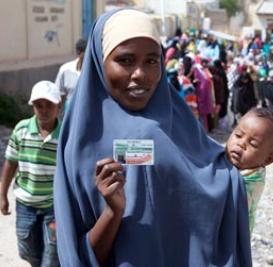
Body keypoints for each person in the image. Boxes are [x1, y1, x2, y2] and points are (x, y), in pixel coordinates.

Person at [53, 9, 252, 266]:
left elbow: (210, 187)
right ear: (100, 62)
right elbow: (81, 255)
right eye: (125, 61)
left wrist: (241, 171)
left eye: (151, 60)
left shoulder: (176, 125)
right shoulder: (79, 143)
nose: (140, 74)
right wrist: (113, 211)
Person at [0, 81, 61, 266]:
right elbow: (11, 162)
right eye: (38, 105)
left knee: (52, 252)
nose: (44, 110)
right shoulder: (21, 130)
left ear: (59, 105)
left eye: (49, 105)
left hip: (53, 205)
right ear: (32, 106)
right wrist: (2, 195)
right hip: (26, 203)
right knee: (27, 250)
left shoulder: (65, 134)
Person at [225, 107, 273, 232]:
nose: (241, 144)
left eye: (252, 144)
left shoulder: (248, 184)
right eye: (238, 135)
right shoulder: (241, 163)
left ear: (268, 160)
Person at [54, 38, 87, 110]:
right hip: (70, 110)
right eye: (85, 55)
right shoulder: (65, 70)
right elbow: (59, 95)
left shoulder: (97, 70)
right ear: (79, 53)